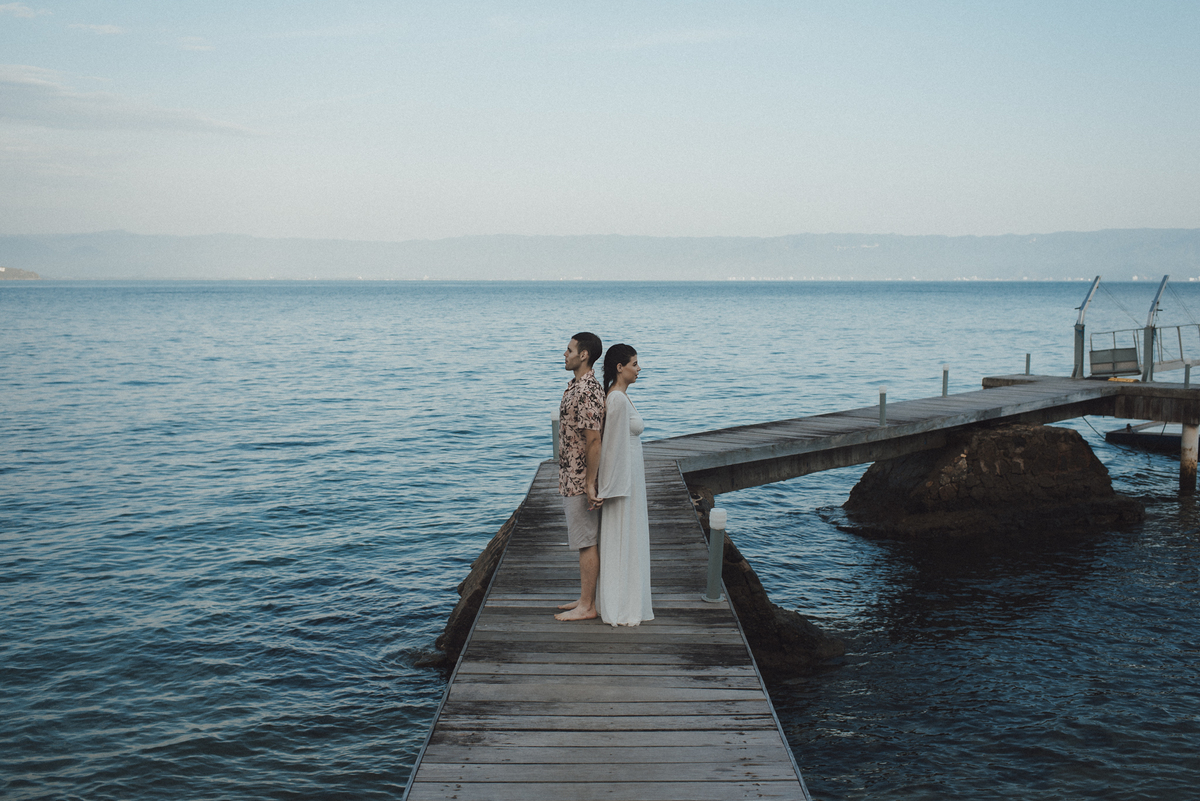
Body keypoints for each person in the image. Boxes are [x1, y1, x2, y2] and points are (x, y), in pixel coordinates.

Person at [594, 344, 654, 627]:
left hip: (632, 476)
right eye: (634, 363)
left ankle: (626, 598)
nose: (639, 368)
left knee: (630, 535)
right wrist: (605, 488)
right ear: (620, 368)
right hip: (623, 479)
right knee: (623, 536)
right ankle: (619, 604)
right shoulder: (616, 399)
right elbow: (610, 447)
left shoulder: (621, 397)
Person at [554, 332, 606, 622]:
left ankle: (588, 606)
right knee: (582, 539)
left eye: (569, 349)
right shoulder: (577, 386)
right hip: (570, 476)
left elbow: (594, 440)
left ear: (583, 355)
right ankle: (584, 597)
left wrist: (589, 482)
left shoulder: (586, 390)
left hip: (579, 477)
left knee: (586, 541)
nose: (565, 353)